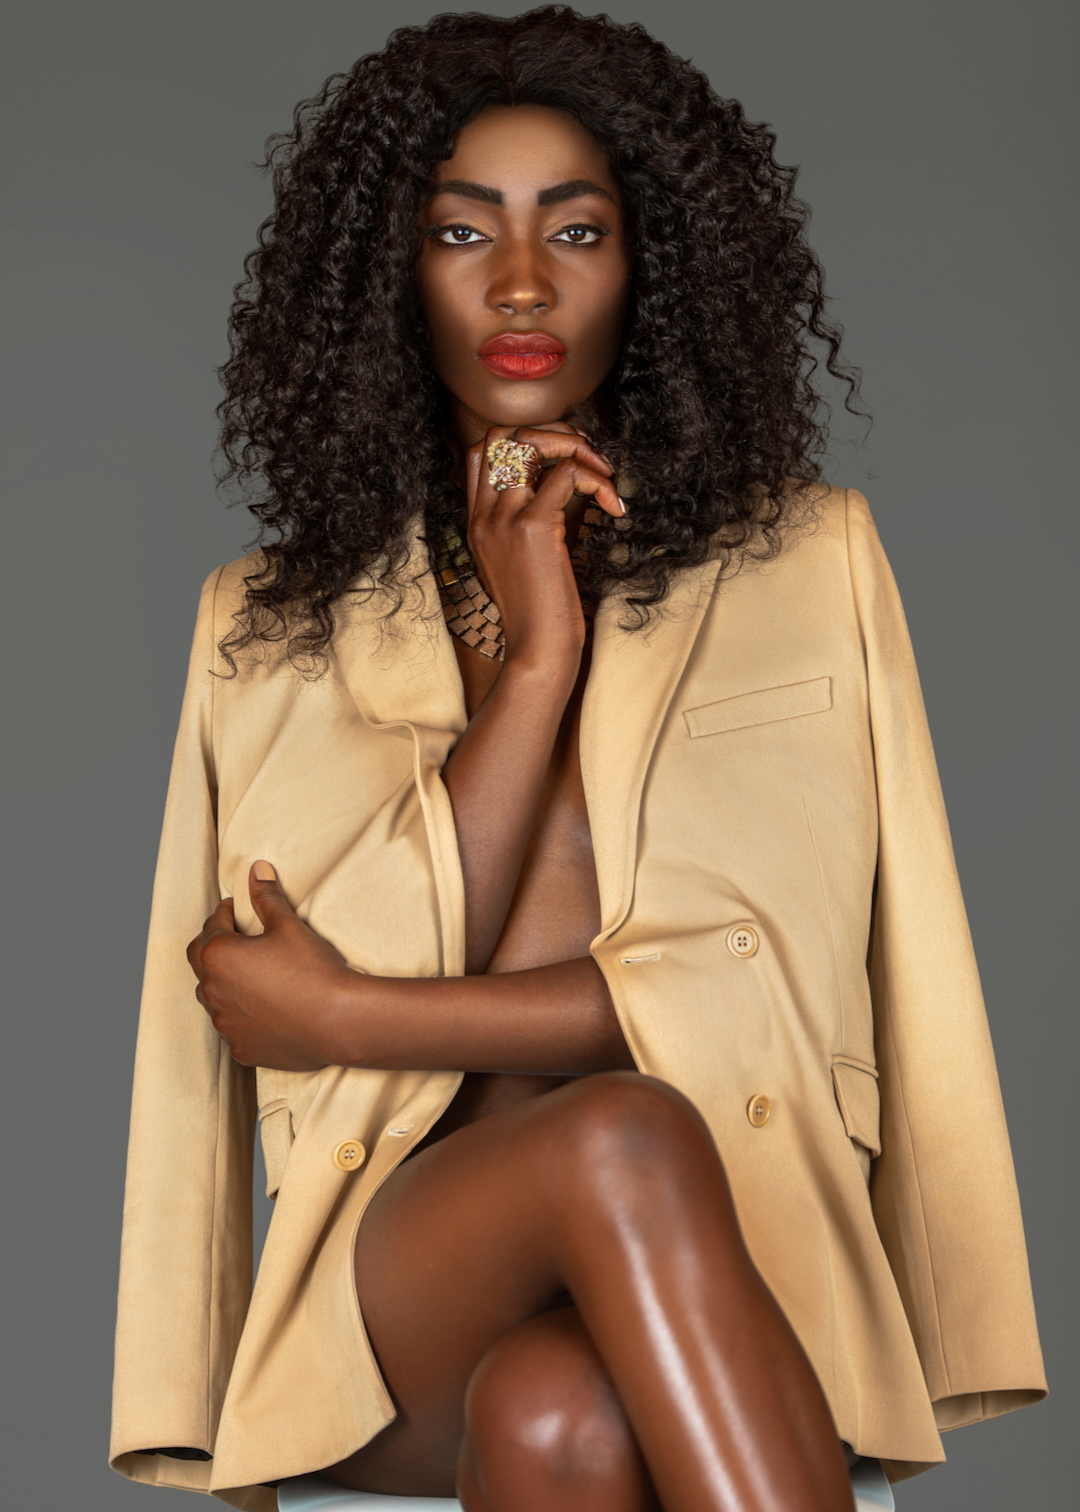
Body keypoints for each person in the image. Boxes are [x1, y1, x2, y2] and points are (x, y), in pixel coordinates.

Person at [109, 9, 1046, 1511]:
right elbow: (233, 1015)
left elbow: (775, 972)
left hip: (737, 1259)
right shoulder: (265, 624)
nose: (525, 282)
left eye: (580, 229)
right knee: (616, 1136)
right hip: (395, 1305)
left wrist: (348, 1006)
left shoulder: (806, 562)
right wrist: (537, 666)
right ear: (388, 279)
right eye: (463, 232)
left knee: (562, 1420)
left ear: (651, 267)